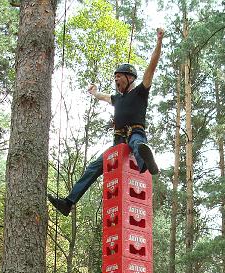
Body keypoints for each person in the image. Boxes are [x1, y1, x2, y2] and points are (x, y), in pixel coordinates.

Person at [48, 28, 165, 216]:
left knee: (137, 142)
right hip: (118, 142)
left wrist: (158, 42)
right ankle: (68, 203)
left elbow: (152, 66)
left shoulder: (140, 92)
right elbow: (102, 97)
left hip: (135, 133)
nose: (116, 80)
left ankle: (145, 162)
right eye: (115, 77)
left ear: (130, 78)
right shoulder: (117, 99)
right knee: (94, 166)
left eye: (119, 76)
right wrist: (94, 92)